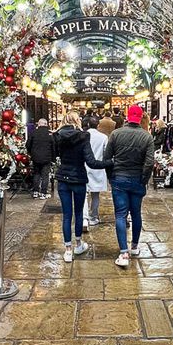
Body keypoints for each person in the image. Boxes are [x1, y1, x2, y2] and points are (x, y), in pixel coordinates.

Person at [55, 111, 112, 262]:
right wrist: (110, 162)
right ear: (77, 121)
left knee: (67, 215)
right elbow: (91, 162)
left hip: (63, 178)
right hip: (78, 178)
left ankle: (68, 250)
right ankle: (78, 244)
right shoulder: (83, 136)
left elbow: (55, 156)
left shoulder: (58, 136)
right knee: (78, 213)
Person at [104, 104, 155, 268]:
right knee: (136, 214)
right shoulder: (147, 137)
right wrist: (144, 180)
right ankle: (134, 246)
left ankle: (123, 252)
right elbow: (149, 163)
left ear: (127, 116)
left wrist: (110, 177)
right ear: (140, 118)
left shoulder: (116, 134)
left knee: (120, 215)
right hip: (137, 179)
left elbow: (107, 159)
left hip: (119, 178)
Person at [83, 118, 109, 226]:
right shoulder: (103, 137)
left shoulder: (83, 135)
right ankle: (93, 216)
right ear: (98, 125)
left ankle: (84, 218)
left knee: (83, 194)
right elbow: (106, 153)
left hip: (84, 166)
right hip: (98, 167)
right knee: (95, 194)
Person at [26, 118, 55, 199]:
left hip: (36, 157)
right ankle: (43, 192)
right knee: (45, 175)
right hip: (46, 158)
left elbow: (28, 144)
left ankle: (35, 191)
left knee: (36, 174)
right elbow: (53, 147)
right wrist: (53, 158)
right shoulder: (49, 134)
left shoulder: (33, 133)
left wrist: (31, 153)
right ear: (46, 124)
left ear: (38, 124)